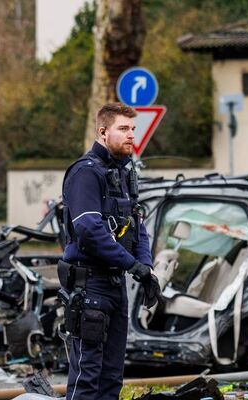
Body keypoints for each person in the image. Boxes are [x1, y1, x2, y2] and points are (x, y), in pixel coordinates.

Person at [58, 103, 160, 400]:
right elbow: (90, 231)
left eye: (133, 129)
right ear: (103, 132)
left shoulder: (124, 173)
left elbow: (137, 225)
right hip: (91, 285)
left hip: (116, 287)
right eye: (123, 129)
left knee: (112, 376)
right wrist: (133, 265)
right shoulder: (85, 174)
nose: (131, 136)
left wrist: (146, 268)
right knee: (87, 376)